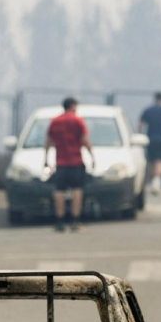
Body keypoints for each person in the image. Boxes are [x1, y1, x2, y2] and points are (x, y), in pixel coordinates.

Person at [45, 97, 95, 232]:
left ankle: (60, 221)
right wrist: (92, 155)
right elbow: (84, 139)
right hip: (76, 162)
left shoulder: (55, 122)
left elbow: (49, 141)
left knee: (59, 191)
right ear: (73, 106)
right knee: (77, 190)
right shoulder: (78, 121)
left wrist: (45, 158)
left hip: (60, 162)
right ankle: (75, 220)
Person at [139, 91, 161, 193]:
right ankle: (157, 181)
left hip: (150, 140)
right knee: (160, 162)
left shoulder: (148, 111)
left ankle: (152, 181)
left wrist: (140, 135)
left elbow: (141, 125)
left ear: (154, 99)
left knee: (151, 161)